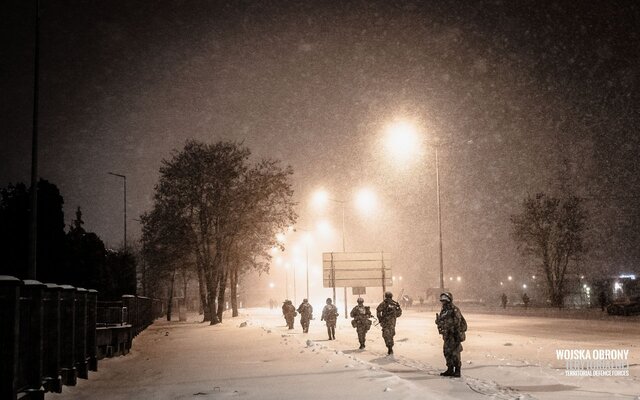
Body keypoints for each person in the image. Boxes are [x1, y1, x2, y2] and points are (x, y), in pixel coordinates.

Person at [435, 292, 466, 377]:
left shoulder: (454, 309)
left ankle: (457, 370)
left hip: (454, 335)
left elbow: (457, 322)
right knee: (447, 352)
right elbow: (442, 322)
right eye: (442, 301)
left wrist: (452, 329)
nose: (443, 303)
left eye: (445, 301)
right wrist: (438, 322)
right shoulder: (444, 311)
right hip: (447, 336)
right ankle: (450, 369)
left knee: (455, 353)